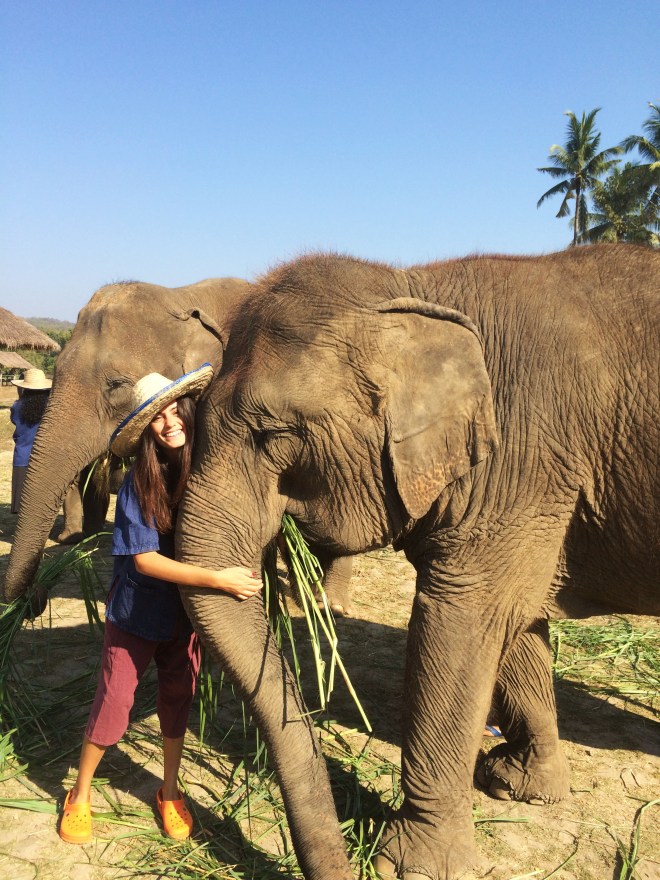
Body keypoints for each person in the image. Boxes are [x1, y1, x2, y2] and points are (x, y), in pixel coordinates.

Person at [58, 364, 263, 845]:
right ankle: (80, 794)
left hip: (187, 614)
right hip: (137, 612)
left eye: (175, 411)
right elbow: (145, 560)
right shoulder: (137, 481)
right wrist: (217, 578)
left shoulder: (207, 469)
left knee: (177, 702)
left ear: (188, 413)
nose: (169, 422)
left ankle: (169, 792)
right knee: (113, 703)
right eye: (157, 417)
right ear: (146, 429)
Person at [9, 367, 52, 514]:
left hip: (22, 457)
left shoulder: (16, 407)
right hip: (44, 457)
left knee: (22, 501)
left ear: (24, 388)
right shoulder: (51, 408)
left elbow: (15, 422)